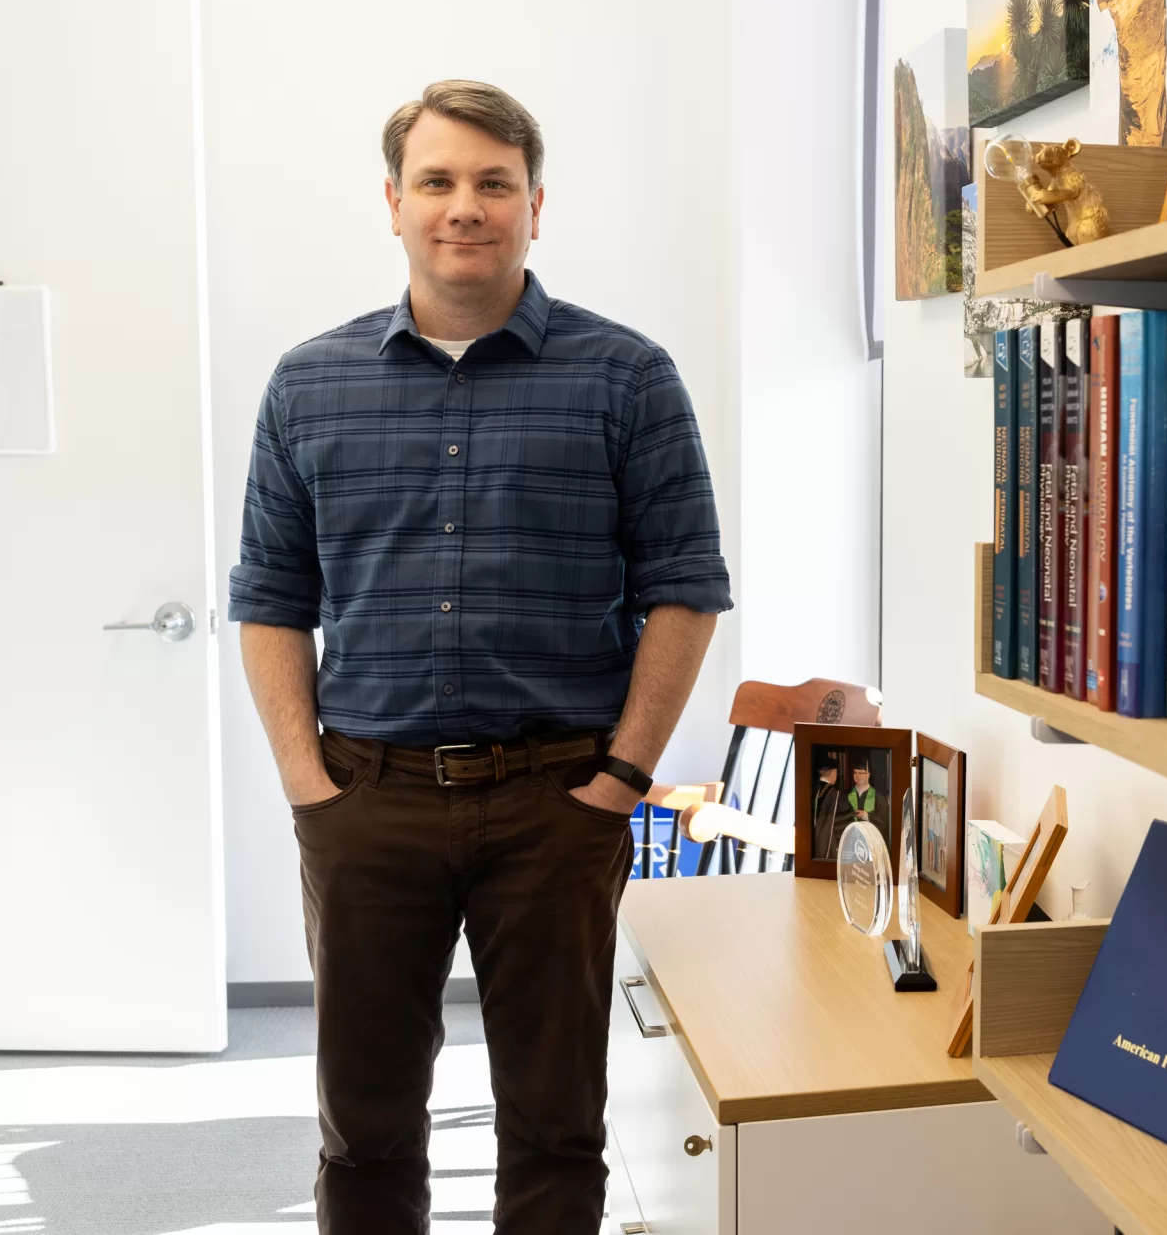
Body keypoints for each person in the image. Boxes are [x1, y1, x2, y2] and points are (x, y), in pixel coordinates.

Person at [229, 79, 732, 1235]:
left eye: (493, 183)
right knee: (363, 1126)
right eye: (440, 181)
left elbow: (685, 588)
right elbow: (268, 598)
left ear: (535, 205)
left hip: (556, 805)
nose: (467, 206)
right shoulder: (309, 383)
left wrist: (619, 781)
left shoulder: (626, 378)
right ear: (393, 202)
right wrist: (310, 786)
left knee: (557, 1125)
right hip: (368, 800)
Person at [812, 760, 844, 859]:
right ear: (833, 772)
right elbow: (840, 820)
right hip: (827, 841)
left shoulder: (811, 788)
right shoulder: (834, 793)